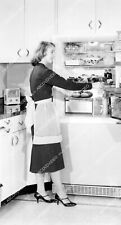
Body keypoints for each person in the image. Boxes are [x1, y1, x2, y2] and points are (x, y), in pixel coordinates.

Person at [27, 41, 92, 207]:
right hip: (44, 115)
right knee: (52, 154)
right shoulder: (44, 71)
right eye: (51, 52)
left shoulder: (36, 70)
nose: (53, 55)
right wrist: (91, 83)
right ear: (42, 53)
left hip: (39, 114)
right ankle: (61, 194)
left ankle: (41, 191)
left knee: (40, 154)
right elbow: (67, 85)